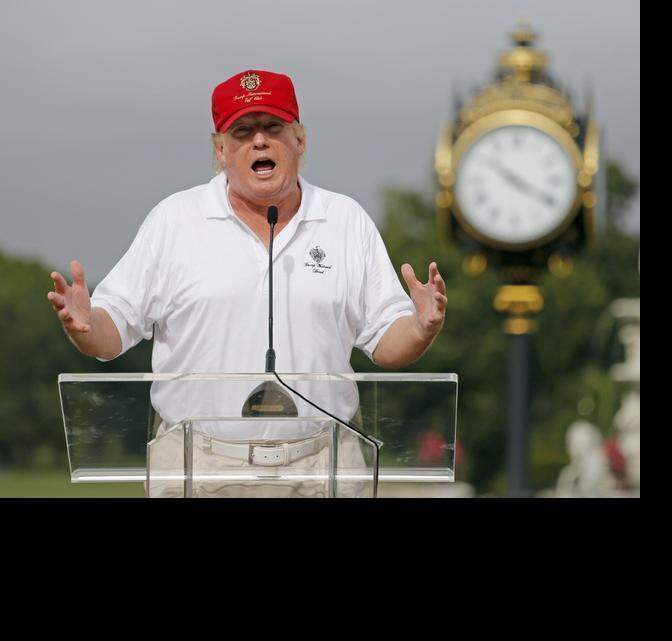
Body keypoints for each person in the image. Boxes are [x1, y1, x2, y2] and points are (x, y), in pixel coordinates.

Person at [45, 69, 448, 497]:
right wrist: (86, 326)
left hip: (322, 463)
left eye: (273, 127)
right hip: (198, 465)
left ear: (300, 141)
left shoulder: (346, 222)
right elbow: (113, 332)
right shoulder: (174, 221)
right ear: (220, 149)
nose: (259, 141)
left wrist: (421, 327)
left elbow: (386, 340)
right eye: (242, 131)